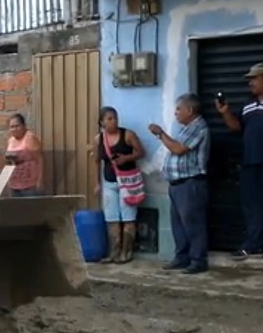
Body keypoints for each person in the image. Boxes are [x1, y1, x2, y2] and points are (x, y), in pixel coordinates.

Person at [149, 93, 211, 274]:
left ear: (190, 110)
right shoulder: (186, 128)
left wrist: (160, 133)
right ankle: (182, 258)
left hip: (190, 184)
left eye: (178, 109)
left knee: (193, 225)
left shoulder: (199, 127)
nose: (175, 113)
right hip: (177, 185)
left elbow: (178, 149)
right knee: (179, 225)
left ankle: (198, 261)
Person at [215, 62, 263, 261]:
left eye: (253, 78)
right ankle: (254, 244)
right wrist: (225, 112)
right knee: (252, 206)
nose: (249, 83)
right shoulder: (248, 105)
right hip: (251, 162)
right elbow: (237, 128)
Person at [93, 107, 146, 263]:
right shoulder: (99, 139)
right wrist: (97, 182)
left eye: (115, 118)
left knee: (128, 217)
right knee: (112, 219)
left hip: (128, 183)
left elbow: (141, 152)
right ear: (101, 122)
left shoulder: (128, 135)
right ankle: (114, 252)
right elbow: (96, 161)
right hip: (109, 182)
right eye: (109, 119)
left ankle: (126, 252)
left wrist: (126, 158)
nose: (113, 121)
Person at [5, 114, 44, 197]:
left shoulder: (30, 138)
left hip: (29, 184)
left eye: (17, 126)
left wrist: (40, 181)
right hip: (14, 183)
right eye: (12, 127)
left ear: (24, 126)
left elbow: (39, 159)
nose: (14, 129)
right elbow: (9, 162)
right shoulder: (11, 140)